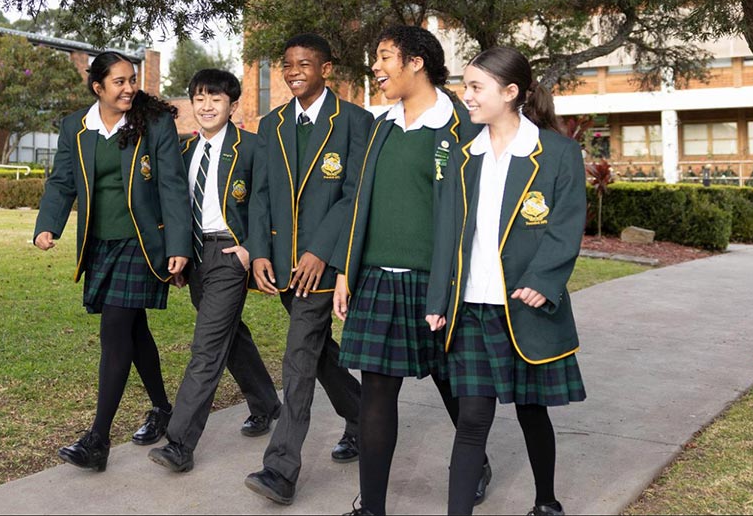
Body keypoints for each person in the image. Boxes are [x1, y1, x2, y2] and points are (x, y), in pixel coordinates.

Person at [329, 26, 486, 516]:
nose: (376, 67)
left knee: (453, 384)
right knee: (376, 390)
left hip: (440, 282)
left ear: (417, 62)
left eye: (385, 57)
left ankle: (473, 461)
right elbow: (358, 202)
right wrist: (345, 271)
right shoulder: (381, 126)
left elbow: (472, 212)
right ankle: (371, 506)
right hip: (378, 278)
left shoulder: (462, 127)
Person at [426, 46, 587, 516]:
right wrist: (439, 298)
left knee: (530, 409)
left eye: (476, 87)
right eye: (466, 86)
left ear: (510, 92)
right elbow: (446, 235)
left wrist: (544, 279)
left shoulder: (557, 153)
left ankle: (546, 501)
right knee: (472, 419)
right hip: (471, 308)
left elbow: (566, 224)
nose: (466, 96)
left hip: (524, 307)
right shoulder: (461, 158)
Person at [34, 51, 191, 471]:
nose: (128, 88)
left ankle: (97, 439)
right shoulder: (76, 127)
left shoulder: (154, 124)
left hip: (142, 244)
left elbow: (173, 187)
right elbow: (63, 180)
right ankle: (162, 409)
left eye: (132, 79)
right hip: (100, 245)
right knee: (133, 330)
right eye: (118, 82)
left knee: (116, 329)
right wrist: (47, 225)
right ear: (97, 87)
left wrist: (179, 245)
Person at [243, 33, 370, 506]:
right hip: (280, 264)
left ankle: (280, 468)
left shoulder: (355, 122)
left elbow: (353, 194)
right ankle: (362, 416)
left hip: (324, 266)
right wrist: (258, 252)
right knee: (316, 353)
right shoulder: (271, 123)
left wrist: (321, 252)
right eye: (287, 64)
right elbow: (259, 195)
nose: (294, 71)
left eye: (304, 63)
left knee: (298, 357)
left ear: (326, 69)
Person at [148, 69, 282, 473]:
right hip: (196, 256)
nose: (206, 106)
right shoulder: (184, 151)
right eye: (199, 98)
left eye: (216, 99)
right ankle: (265, 403)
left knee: (206, 347)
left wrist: (252, 249)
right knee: (229, 335)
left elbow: (271, 203)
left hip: (229, 254)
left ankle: (180, 442)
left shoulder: (253, 148)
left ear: (233, 105)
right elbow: (172, 205)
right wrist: (179, 254)